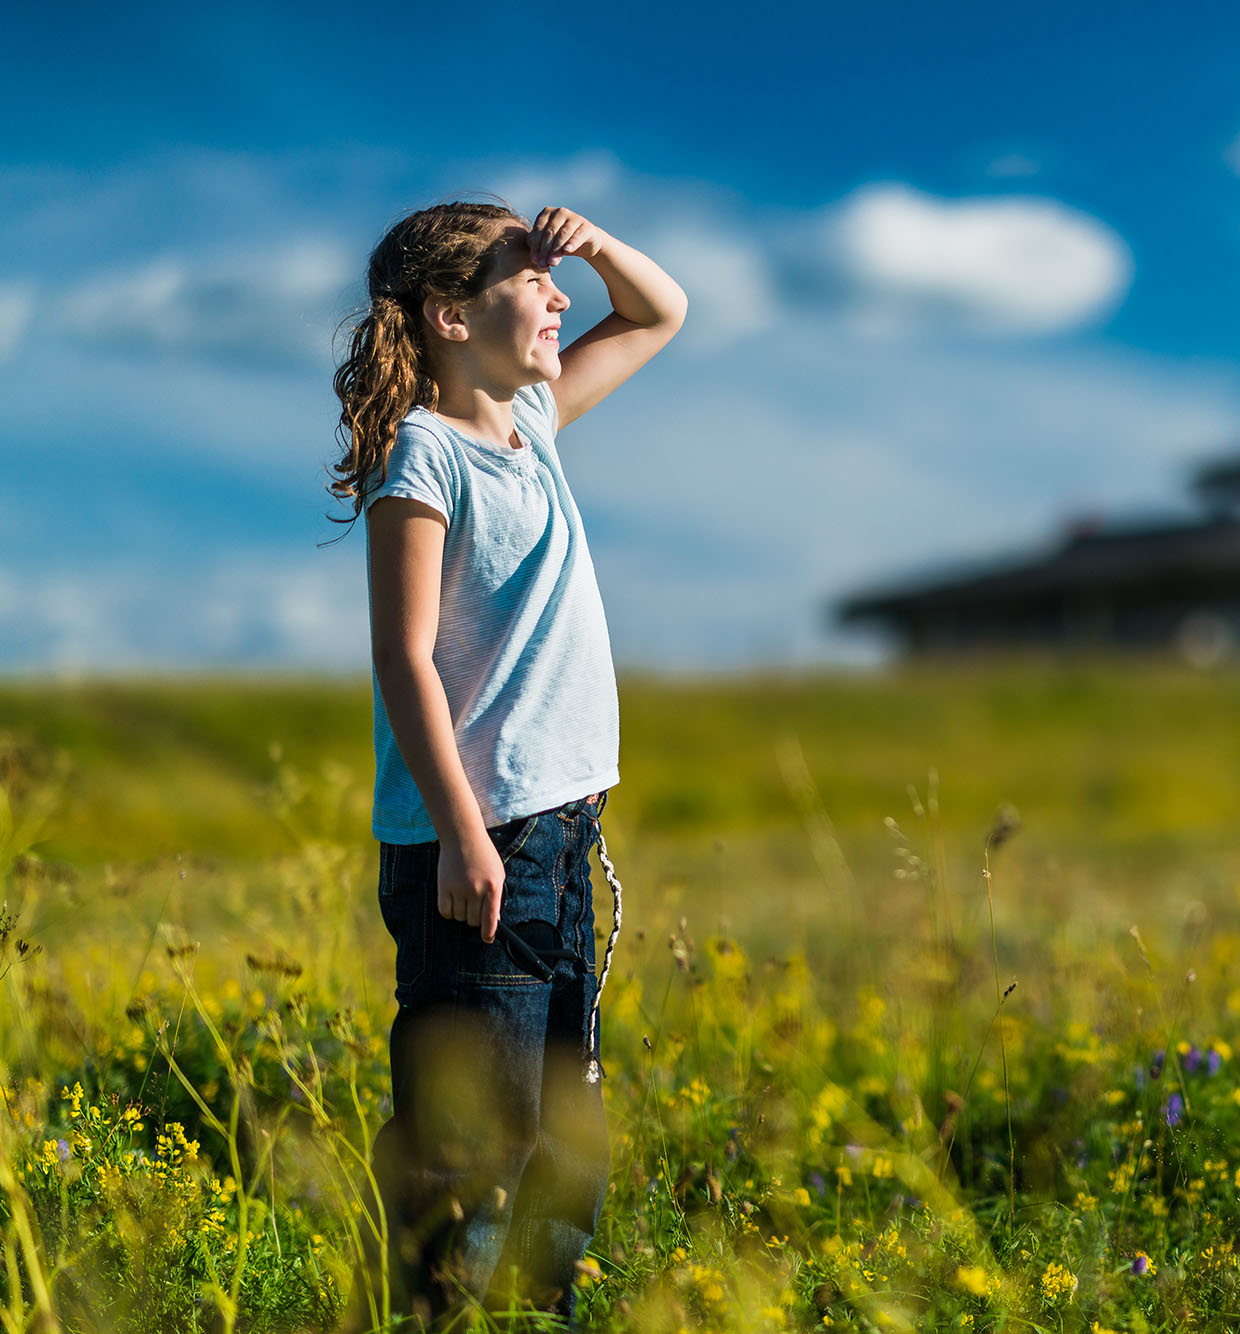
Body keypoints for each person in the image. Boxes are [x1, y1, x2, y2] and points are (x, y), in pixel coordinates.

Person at [325, 197, 687, 1327]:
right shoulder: (421, 455)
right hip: (479, 845)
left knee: (562, 1138)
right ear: (446, 315)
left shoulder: (532, 421)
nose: (559, 295)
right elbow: (404, 655)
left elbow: (658, 311)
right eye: (530, 278)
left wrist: (591, 242)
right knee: (473, 1150)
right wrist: (463, 831)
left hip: (557, 833)